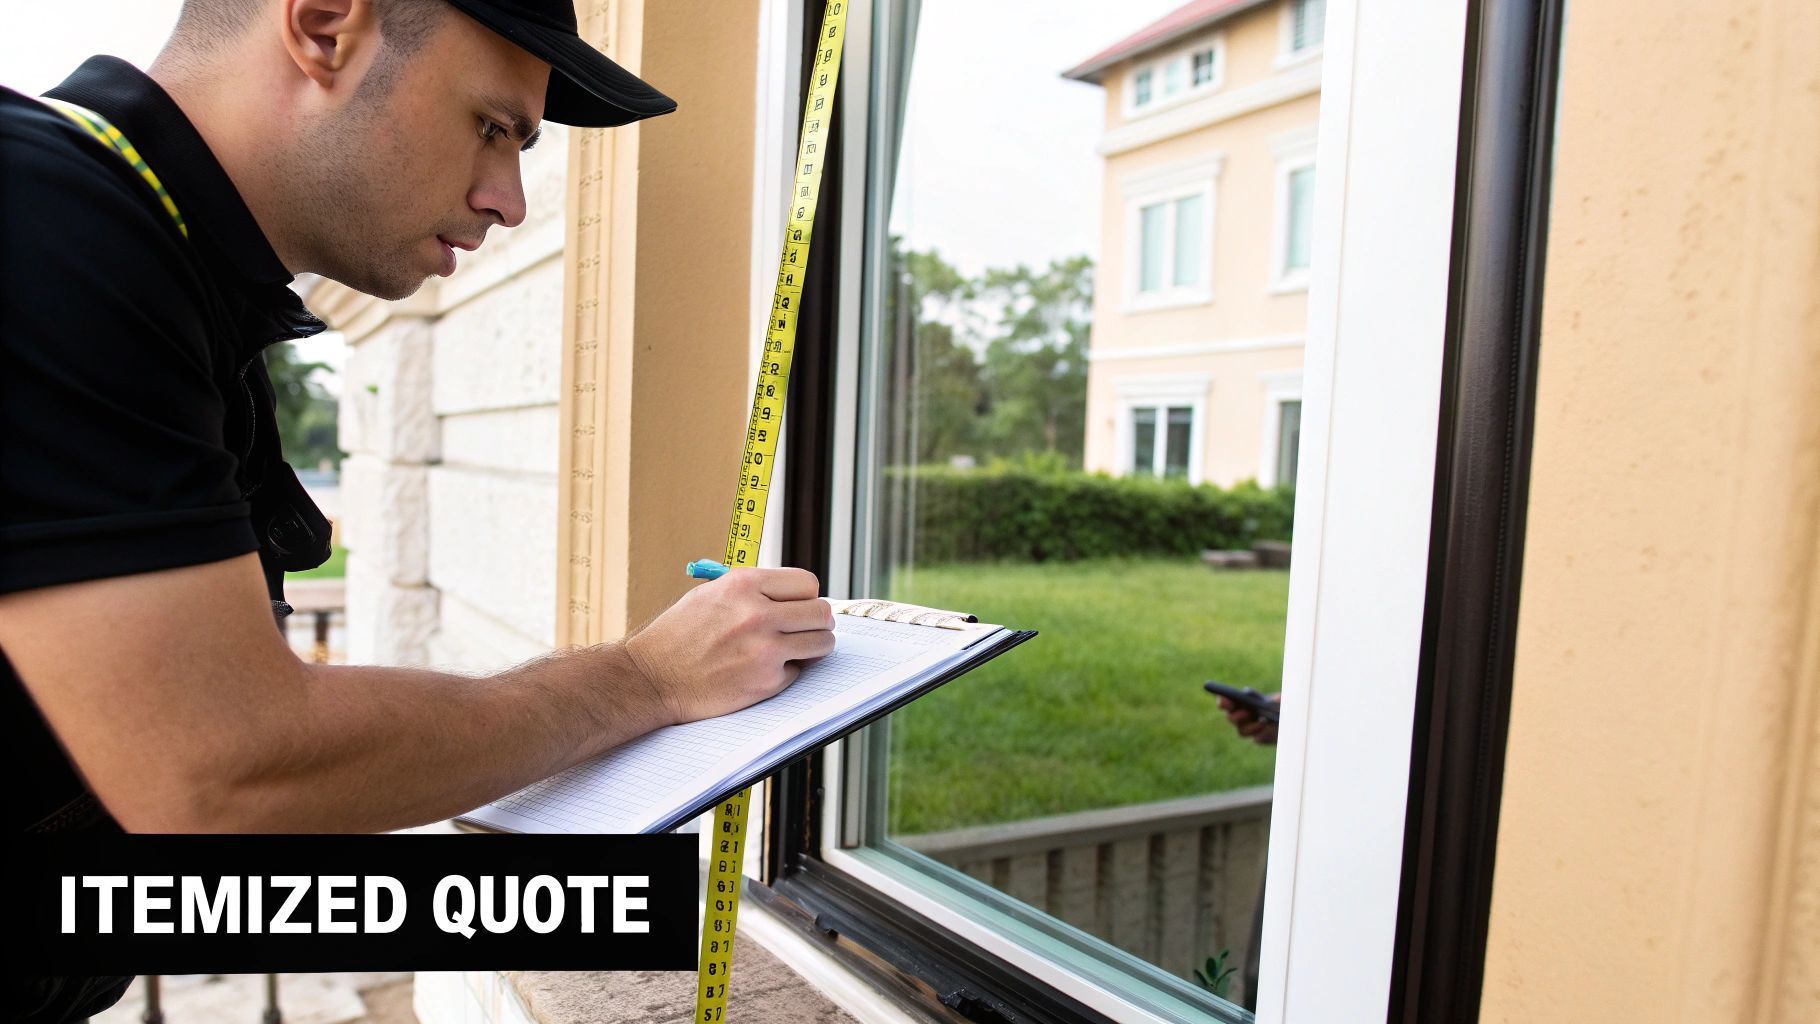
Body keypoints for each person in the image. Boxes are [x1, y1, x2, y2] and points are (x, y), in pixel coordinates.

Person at [0, 3, 833, 1019]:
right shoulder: (47, 219)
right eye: (492, 126)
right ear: (323, 27)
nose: (508, 201)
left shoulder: (146, 259)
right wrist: (644, 679)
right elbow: (220, 778)